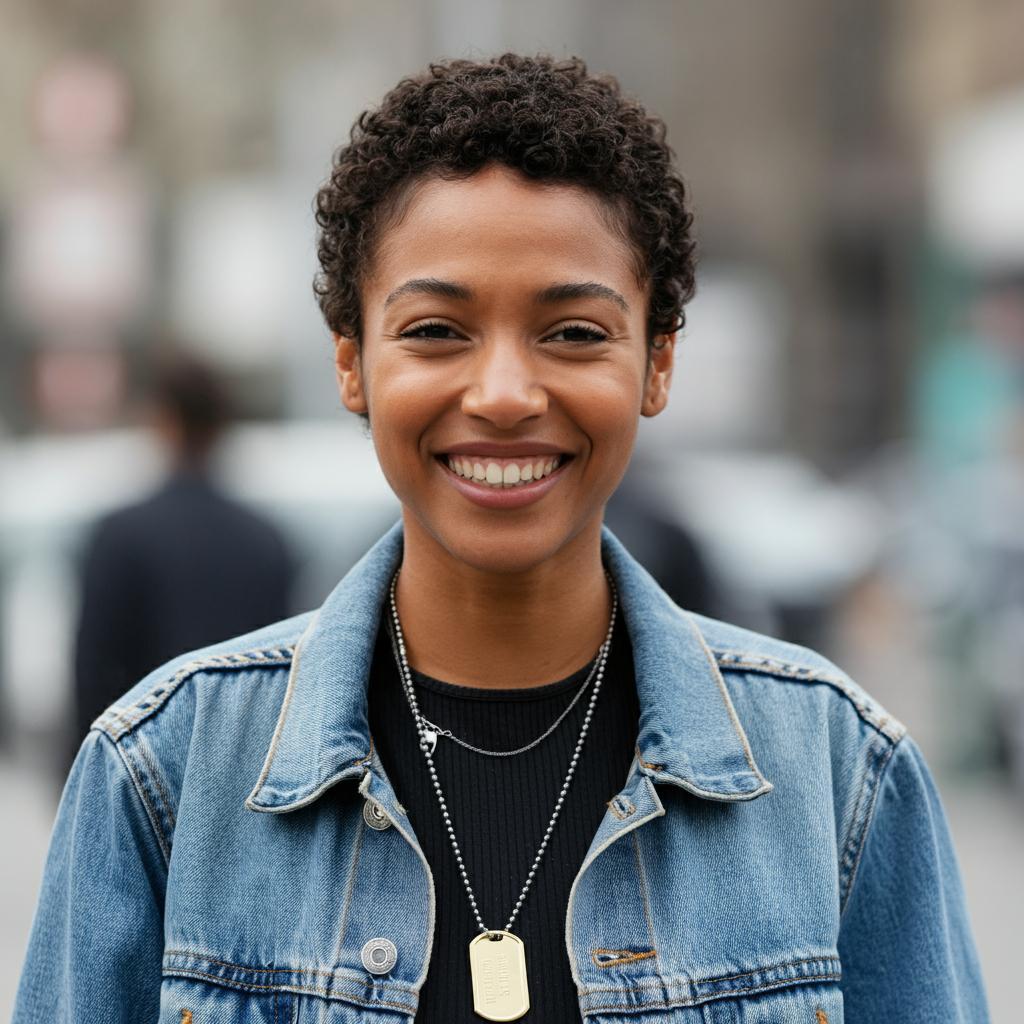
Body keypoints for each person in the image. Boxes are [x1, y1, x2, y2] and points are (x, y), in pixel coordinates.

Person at [16, 55, 989, 1023]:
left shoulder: (838, 777)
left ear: (657, 364)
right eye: (437, 329)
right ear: (351, 363)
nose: (505, 395)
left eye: (572, 333)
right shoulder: (163, 775)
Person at [70, 354, 295, 764]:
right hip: (244, 765)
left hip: (143, 764)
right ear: (221, 426)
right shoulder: (265, 540)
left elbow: (91, 672)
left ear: (163, 420)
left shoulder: (120, 535)